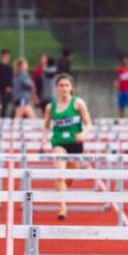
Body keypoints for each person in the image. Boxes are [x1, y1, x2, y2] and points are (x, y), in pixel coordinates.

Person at [40, 74, 92, 220]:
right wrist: (44, 140)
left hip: (75, 144)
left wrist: (83, 134)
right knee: (59, 173)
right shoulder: (50, 107)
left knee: (70, 176)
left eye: (66, 85)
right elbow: (45, 127)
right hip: (58, 144)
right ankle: (62, 206)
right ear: (57, 87)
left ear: (71, 88)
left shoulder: (78, 103)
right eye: (61, 85)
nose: (63, 88)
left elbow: (89, 123)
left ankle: (65, 183)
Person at [0, 48, 13, 118]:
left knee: (10, 103)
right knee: (3, 103)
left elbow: (11, 77)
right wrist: (3, 87)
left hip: (9, 88)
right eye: (6, 55)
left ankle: (10, 117)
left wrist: (10, 86)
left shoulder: (10, 66)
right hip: (2, 88)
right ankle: (3, 117)